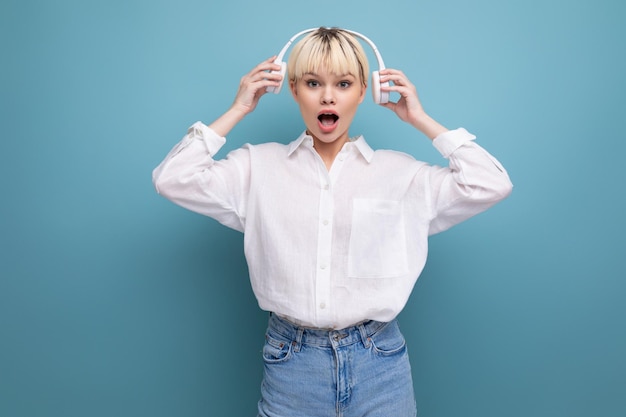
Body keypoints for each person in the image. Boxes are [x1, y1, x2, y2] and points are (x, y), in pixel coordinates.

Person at [153, 27, 512, 417]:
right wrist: (239, 108)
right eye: (312, 83)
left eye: (343, 83)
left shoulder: (402, 175)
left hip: (381, 363)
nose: (327, 96)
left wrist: (421, 119)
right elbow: (172, 178)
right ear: (292, 89)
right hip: (291, 364)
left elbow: (490, 183)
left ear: (364, 91)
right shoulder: (256, 167)